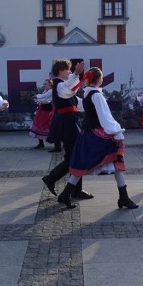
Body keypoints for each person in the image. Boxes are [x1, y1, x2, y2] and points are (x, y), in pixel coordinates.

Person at [56, 67, 138, 209]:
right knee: (116, 160)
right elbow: (105, 117)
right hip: (99, 134)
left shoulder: (88, 94)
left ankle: (66, 193)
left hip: (89, 133)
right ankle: (123, 197)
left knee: (83, 164)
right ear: (100, 79)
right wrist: (117, 132)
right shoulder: (96, 95)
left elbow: (85, 108)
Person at [41, 58, 93, 200]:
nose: (69, 72)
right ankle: (57, 180)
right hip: (67, 123)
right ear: (61, 70)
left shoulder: (62, 85)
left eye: (70, 70)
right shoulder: (59, 85)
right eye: (68, 69)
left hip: (69, 122)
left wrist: (93, 102)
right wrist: (76, 74)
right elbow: (69, 91)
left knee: (74, 156)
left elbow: (75, 101)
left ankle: (67, 185)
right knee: (75, 156)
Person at [29, 78, 54, 148]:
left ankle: (56, 144)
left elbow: (45, 98)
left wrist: (37, 96)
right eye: (44, 84)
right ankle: (41, 143)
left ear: (50, 85)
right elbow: (42, 98)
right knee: (39, 126)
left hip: (48, 111)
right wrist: (37, 98)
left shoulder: (51, 91)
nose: (44, 85)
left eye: (45, 84)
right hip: (42, 111)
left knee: (49, 127)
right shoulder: (46, 91)